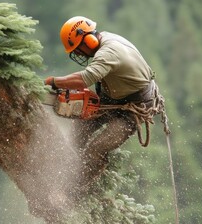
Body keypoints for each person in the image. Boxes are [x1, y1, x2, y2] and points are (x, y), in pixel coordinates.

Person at [44, 16, 161, 161]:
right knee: (79, 130)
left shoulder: (109, 52)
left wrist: (54, 81)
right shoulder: (104, 40)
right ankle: (68, 163)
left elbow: (84, 79)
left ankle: (79, 183)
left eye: (78, 49)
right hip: (113, 98)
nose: (78, 54)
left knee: (97, 148)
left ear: (88, 40)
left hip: (135, 107)